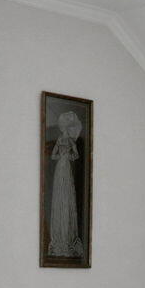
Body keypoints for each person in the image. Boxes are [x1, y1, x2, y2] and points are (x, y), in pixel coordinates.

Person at [48, 109, 83, 258]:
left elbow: (76, 156)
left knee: (66, 196)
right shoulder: (62, 140)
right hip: (61, 168)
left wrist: (67, 155)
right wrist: (63, 155)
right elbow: (52, 156)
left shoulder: (69, 141)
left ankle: (67, 236)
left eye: (68, 128)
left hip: (65, 167)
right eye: (65, 127)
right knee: (60, 195)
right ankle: (59, 237)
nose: (66, 130)